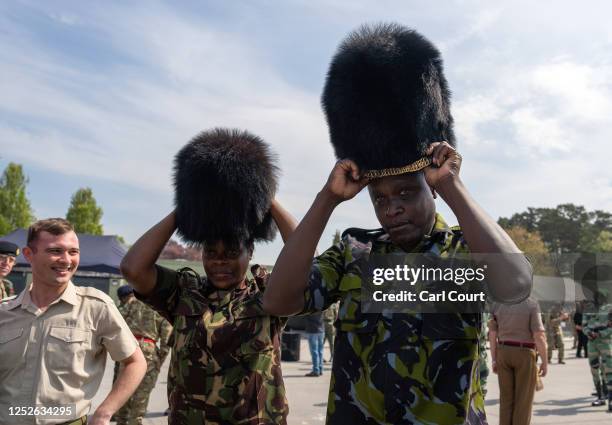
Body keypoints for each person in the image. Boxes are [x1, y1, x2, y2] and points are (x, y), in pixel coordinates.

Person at [263, 23, 531, 425]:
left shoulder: (463, 251)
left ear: (431, 189)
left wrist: (453, 188)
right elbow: (278, 301)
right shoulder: (354, 253)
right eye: (380, 198)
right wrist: (327, 200)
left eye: (407, 193)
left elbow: (516, 284)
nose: (392, 208)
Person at [120, 129, 297, 425]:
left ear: (249, 252)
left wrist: (264, 197)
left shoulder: (268, 292)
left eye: (230, 252)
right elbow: (133, 269)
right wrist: (189, 206)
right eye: (211, 252)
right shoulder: (183, 292)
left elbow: (305, 257)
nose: (219, 261)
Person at [0, 218, 146, 425]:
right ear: (29, 255)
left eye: (73, 252)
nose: (66, 260)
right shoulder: (5, 312)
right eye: (55, 251)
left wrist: (104, 413)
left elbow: (136, 361)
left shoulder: (96, 307)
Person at [113, 285, 173, 425]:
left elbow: (116, 322)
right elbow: (167, 338)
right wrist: (160, 359)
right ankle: (135, 421)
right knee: (142, 394)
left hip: (129, 349)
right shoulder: (160, 307)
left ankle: (121, 421)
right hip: (148, 351)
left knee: (124, 389)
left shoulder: (130, 303)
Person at [488, 298, 547, 425]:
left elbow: (492, 334)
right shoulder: (531, 304)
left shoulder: (498, 304)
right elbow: (539, 336)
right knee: (523, 402)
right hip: (524, 354)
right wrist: (544, 362)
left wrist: (493, 359)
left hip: (503, 352)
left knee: (505, 401)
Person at [304, 311, 325, 376]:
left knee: (314, 352)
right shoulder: (322, 306)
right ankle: (320, 369)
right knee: (320, 351)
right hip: (321, 329)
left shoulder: (311, 306)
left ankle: (316, 370)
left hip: (312, 330)